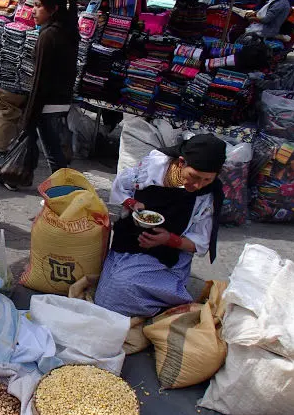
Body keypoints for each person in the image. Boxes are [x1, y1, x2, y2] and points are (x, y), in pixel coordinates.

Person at [94, 134, 226, 317]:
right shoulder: (155, 165)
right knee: (109, 291)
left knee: (120, 287)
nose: (198, 185)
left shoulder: (206, 197)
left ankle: (165, 300)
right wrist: (132, 203)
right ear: (181, 162)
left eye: (207, 180)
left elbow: (199, 244)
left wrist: (169, 239)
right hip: (129, 240)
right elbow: (122, 186)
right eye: (194, 176)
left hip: (167, 257)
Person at [0, 0, 78, 190]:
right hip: (61, 101)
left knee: (53, 154)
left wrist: (30, 113)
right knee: (54, 149)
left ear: (53, 9)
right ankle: (55, 187)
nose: (33, 11)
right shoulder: (68, 32)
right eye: (33, 5)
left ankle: (62, 193)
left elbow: (40, 80)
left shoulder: (48, 35)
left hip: (48, 103)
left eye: (38, 6)